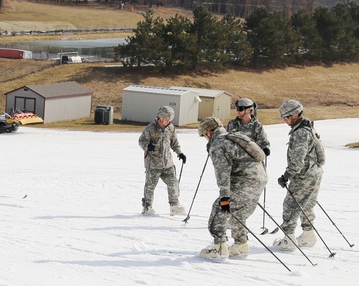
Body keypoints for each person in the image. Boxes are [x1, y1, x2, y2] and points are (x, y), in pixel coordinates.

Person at [197, 116, 267, 260]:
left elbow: (223, 174)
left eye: (204, 135)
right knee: (238, 214)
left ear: (209, 132)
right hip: (260, 180)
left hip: (244, 182)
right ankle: (241, 247)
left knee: (219, 209)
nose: (205, 138)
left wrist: (224, 197)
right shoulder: (234, 135)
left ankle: (219, 248)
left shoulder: (218, 144)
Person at [274, 100, 326, 251]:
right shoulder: (308, 127)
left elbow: (297, 160)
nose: (285, 121)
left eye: (287, 117)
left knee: (290, 205)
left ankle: (289, 240)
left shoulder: (300, 133)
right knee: (307, 204)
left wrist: (286, 176)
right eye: (283, 118)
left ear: (296, 115)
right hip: (315, 171)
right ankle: (308, 235)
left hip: (304, 174)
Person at [137, 106, 187, 215]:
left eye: (169, 118)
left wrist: (180, 153)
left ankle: (174, 206)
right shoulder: (150, 128)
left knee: (173, 184)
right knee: (150, 187)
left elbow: (174, 142)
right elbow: (141, 141)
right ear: (160, 117)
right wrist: (147, 146)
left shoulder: (170, 128)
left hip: (168, 163)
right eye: (165, 117)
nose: (167, 120)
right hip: (153, 164)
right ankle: (147, 208)